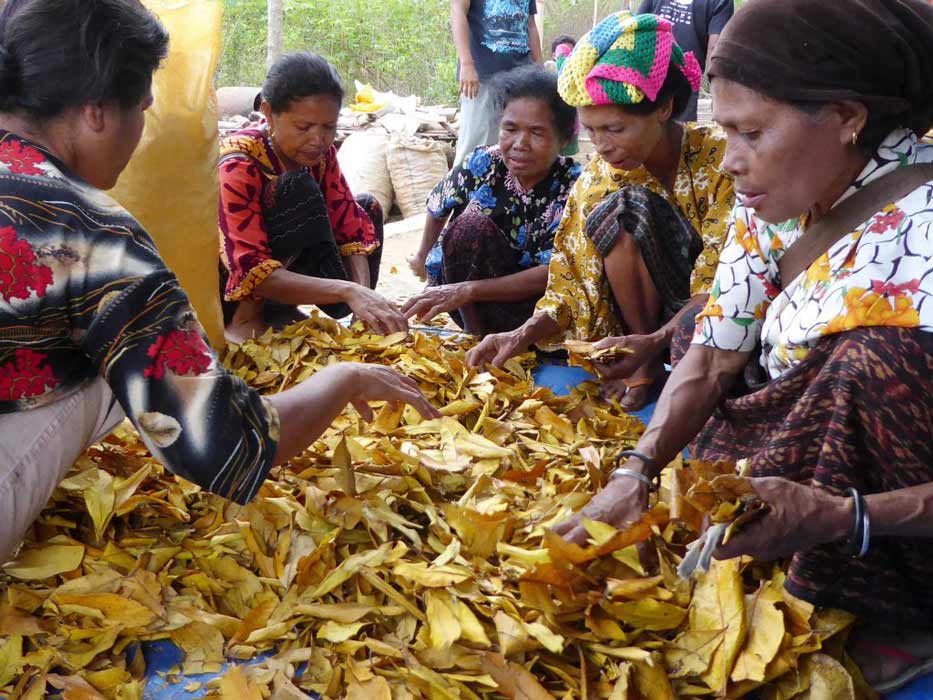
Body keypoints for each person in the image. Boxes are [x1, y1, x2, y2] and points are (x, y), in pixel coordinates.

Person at [550, 0, 933, 692]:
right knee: (701, 358)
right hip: (809, 441)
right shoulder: (773, 205)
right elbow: (715, 351)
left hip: (890, 498)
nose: (729, 162)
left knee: (877, 364)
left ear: (846, 118)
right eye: (723, 131)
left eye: (750, 132)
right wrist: (634, 472)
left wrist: (840, 515)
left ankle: (897, 610)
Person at [0, 0, 440, 564]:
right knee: (117, 359)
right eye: (143, 108)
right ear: (96, 111)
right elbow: (224, 441)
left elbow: (350, 219)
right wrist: (345, 378)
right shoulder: (91, 235)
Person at [467, 13, 735, 411]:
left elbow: (724, 282)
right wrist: (520, 334)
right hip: (648, 317)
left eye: (615, 129)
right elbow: (570, 283)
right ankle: (645, 368)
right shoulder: (598, 177)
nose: (602, 145)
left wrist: (657, 342)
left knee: (629, 207)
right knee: (616, 208)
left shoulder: (723, 160)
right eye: (592, 132)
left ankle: (652, 358)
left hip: (714, 309)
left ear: (663, 108)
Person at [218, 52, 407, 343]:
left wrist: (363, 299)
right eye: (303, 127)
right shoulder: (238, 162)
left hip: (284, 272)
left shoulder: (320, 154)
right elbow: (249, 267)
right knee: (297, 188)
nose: (318, 140)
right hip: (231, 284)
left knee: (366, 207)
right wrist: (348, 290)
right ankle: (247, 320)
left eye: (328, 127)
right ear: (269, 113)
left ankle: (283, 308)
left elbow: (349, 224)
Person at [403, 66, 581, 335]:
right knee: (468, 227)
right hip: (465, 302)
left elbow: (554, 270)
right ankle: (474, 332)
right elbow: (439, 203)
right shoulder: (485, 161)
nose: (520, 143)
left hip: (533, 312)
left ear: (564, 138)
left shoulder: (574, 186)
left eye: (537, 132)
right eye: (510, 128)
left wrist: (469, 289)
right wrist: (422, 258)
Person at [450, 0, 543, 167]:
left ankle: (507, 191)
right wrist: (466, 64)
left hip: (523, 77)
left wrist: (539, 67)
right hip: (483, 76)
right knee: (476, 147)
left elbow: (531, 25)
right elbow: (458, 12)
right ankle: (461, 192)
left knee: (518, 145)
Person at [636, 0, 734, 121]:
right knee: (681, 134)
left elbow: (637, 26)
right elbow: (715, 48)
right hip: (687, 77)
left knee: (645, 126)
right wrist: (716, 91)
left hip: (649, 72)